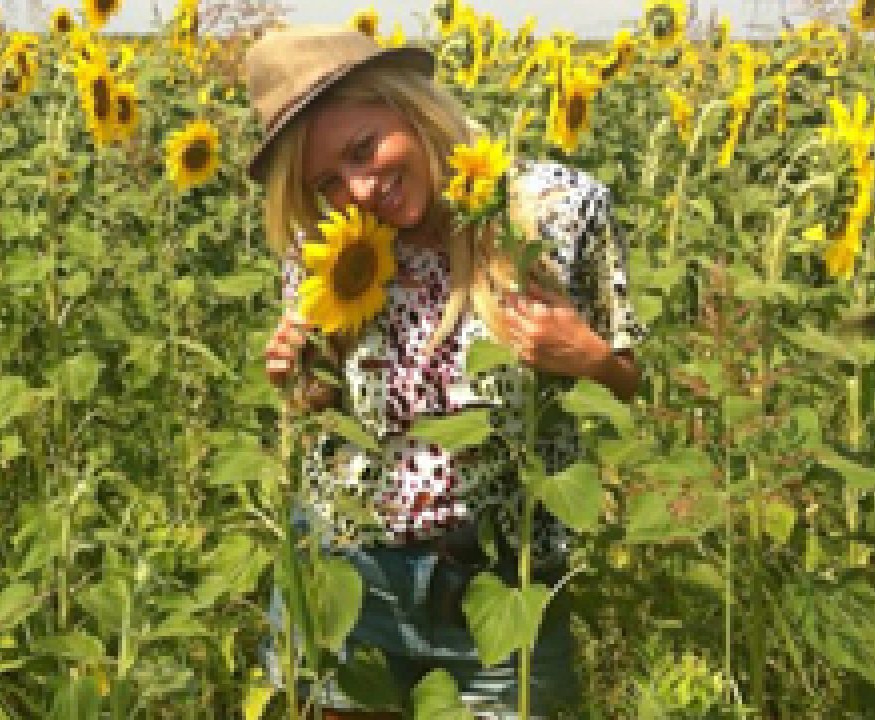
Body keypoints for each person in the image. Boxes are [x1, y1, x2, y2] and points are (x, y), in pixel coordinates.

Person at [243, 24, 646, 718]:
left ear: (410, 107)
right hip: (352, 581)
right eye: (328, 181)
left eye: (363, 149)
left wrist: (587, 358)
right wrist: (300, 377)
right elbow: (325, 403)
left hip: (502, 587)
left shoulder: (557, 210)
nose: (359, 190)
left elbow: (628, 379)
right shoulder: (331, 244)